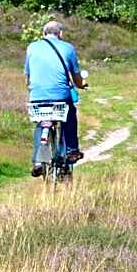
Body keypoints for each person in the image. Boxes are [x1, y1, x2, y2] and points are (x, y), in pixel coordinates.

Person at [25, 20, 86, 176]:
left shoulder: (31, 47)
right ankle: (71, 150)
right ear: (60, 33)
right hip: (60, 96)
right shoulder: (68, 48)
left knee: (41, 123)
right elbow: (76, 76)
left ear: (43, 33)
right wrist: (81, 85)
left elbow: (28, 77)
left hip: (36, 96)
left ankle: (38, 161)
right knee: (70, 116)